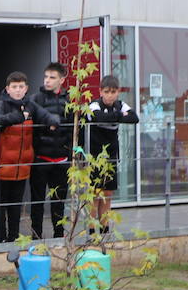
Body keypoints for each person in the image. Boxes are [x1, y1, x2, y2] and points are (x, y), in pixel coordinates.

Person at [0, 71, 60, 243]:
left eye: (21, 87)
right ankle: (0, 240)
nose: (18, 90)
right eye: (14, 87)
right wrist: (17, 118)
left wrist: (52, 121)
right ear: (8, 89)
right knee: (0, 207)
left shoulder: (30, 105)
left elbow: (46, 115)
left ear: (26, 88)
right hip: (2, 167)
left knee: (16, 206)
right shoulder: (2, 104)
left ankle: (13, 238)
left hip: (22, 167)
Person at [82, 74, 138, 231]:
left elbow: (134, 118)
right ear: (100, 91)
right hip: (93, 157)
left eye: (113, 92)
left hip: (111, 156)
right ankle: (92, 231)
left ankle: (105, 229)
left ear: (118, 92)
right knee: (94, 194)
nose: (110, 95)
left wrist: (113, 116)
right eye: (106, 91)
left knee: (107, 194)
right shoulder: (94, 105)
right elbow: (98, 117)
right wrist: (119, 116)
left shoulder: (120, 104)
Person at [30, 62, 72, 239]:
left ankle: (59, 236)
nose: (47, 81)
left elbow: (73, 130)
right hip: (41, 159)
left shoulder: (69, 100)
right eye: (46, 77)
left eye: (52, 77)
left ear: (62, 80)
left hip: (62, 160)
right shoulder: (36, 99)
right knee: (37, 202)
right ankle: (36, 236)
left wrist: (72, 154)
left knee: (59, 202)